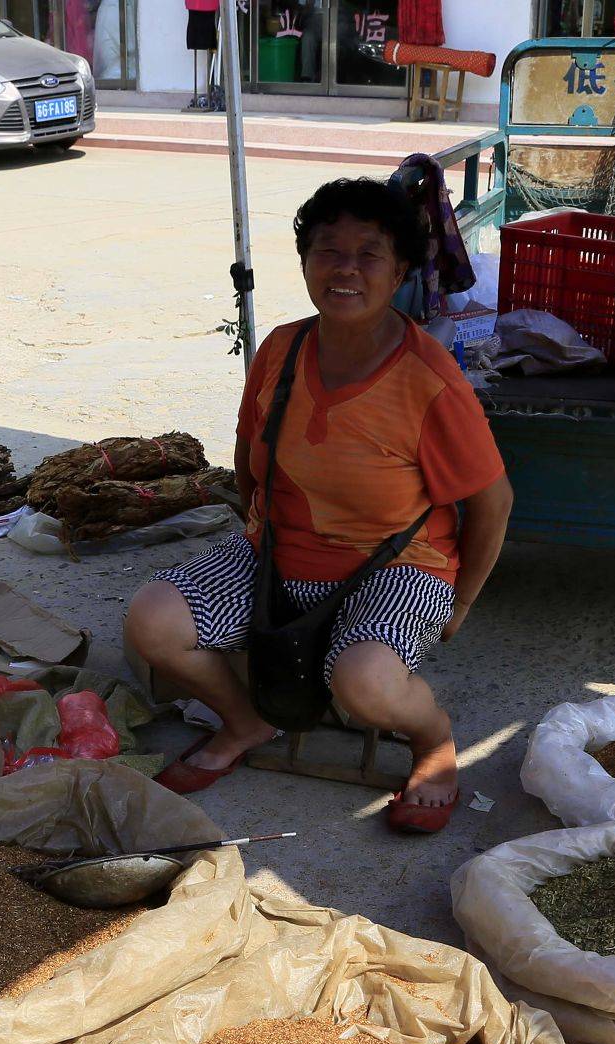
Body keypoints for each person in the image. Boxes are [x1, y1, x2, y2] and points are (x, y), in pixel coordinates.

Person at [124, 176, 512, 833]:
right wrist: (257, 533)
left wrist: (461, 604)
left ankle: (433, 740)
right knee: (152, 621)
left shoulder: (428, 381)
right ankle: (246, 721)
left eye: (369, 255)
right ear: (305, 261)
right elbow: (250, 455)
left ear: (400, 273)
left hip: (397, 567)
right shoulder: (281, 347)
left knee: (363, 684)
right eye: (328, 251)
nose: (345, 270)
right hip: (277, 550)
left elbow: (492, 504)